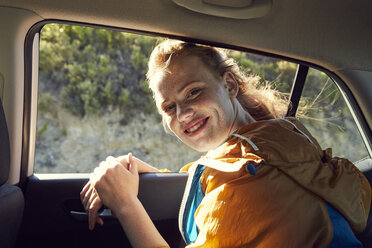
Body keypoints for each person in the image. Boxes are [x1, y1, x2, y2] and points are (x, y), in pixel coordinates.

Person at [80, 40, 371, 248]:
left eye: (193, 92)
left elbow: (240, 191)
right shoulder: (283, 139)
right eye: (169, 107)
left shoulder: (248, 172)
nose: (182, 114)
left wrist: (126, 204)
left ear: (230, 85)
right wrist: (150, 173)